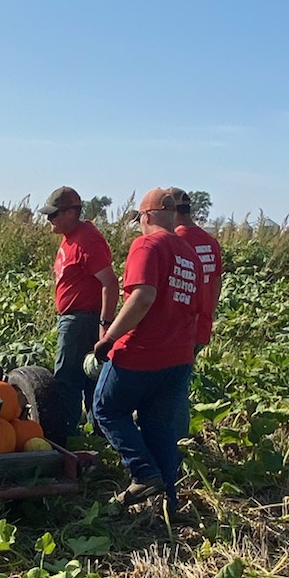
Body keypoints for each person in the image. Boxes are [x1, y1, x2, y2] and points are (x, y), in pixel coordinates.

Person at [92, 189, 199, 512]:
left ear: (148, 216)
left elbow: (144, 297)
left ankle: (143, 472)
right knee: (159, 426)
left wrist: (109, 337)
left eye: (138, 218)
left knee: (107, 409)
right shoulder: (189, 254)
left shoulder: (147, 244)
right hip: (178, 356)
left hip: (141, 352)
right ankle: (169, 502)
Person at [40, 186, 119, 444]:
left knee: (68, 380)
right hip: (74, 318)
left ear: (72, 212)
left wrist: (105, 325)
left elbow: (109, 282)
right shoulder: (69, 237)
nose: (49, 219)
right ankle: (95, 438)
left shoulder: (87, 239)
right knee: (87, 380)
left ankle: (67, 439)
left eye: (54, 215)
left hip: (82, 319)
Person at [167, 188, 224, 439]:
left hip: (181, 328)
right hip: (202, 325)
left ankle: (175, 442)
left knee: (172, 390)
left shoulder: (176, 241)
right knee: (180, 384)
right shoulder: (209, 241)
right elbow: (217, 282)